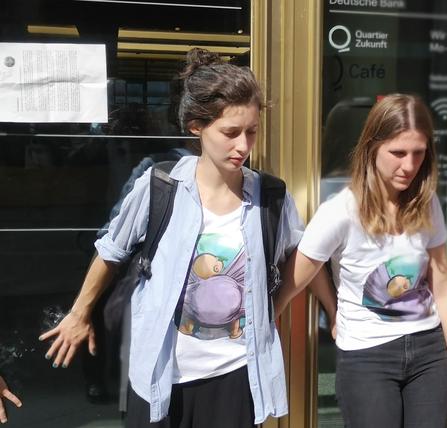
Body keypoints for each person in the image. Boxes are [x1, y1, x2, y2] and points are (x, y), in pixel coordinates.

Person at [39, 48, 304, 427]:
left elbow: (303, 254)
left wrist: (269, 309)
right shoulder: (160, 185)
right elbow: (111, 251)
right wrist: (80, 313)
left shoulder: (271, 198)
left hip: (237, 376)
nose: (243, 146)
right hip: (160, 373)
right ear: (197, 126)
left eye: (252, 132)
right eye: (230, 133)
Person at [276, 94, 447, 427]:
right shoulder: (340, 211)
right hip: (367, 357)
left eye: (418, 153)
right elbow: (302, 271)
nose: (409, 166)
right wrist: (323, 311)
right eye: (397, 153)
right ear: (372, 147)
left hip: (429, 352)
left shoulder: (427, 204)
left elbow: (443, 285)